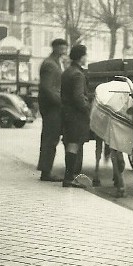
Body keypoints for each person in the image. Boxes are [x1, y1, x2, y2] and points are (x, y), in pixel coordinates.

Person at [36, 37, 68, 181]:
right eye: (61, 47)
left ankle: (45, 169)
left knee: (51, 138)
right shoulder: (50, 64)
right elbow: (47, 88)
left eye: (65, 47)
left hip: (52, 106)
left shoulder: (55, 63)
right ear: (54, 48)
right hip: (51, 107)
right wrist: (61, 103)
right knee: (50, 139)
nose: (64, 50)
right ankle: (46, 172)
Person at [61, 44, 91, 188]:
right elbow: (79, 97)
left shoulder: (68, 71)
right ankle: (68, 178)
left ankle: (69, 176)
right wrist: (88, 108)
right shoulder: (78, 74)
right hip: (76, 116)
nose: (87, 57)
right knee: (73, 145)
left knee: (70, 144)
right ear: (81, 57)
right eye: (85, 55)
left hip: (67, 114)